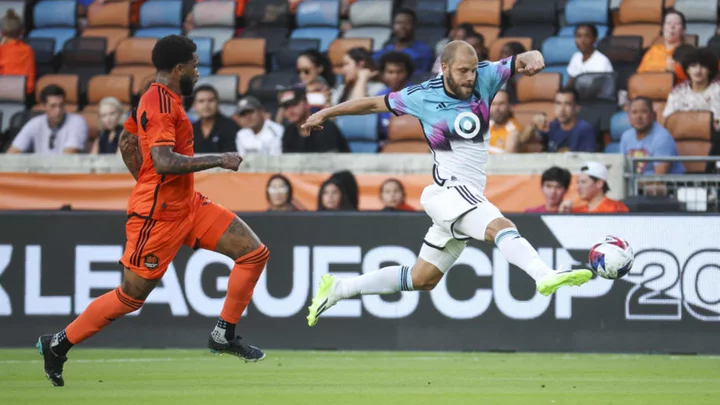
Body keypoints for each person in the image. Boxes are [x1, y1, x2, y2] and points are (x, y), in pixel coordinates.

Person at [301, 41, 593, 327]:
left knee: (422, 278)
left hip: (465, 196)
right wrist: (326, 112)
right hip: (449, 191)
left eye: (472, 70)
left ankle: (340, 288)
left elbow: (522, 58)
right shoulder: (421, 96)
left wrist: (535, 57)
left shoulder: (486, 76)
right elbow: (371, 104)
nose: (470, 77)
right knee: (501, 227)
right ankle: (543, 274)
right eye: (463, 71)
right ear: (444, 68)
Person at [37, 35, 268, 387]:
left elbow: (127, 141)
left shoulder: (159, 97)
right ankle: (58, 343)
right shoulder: (160, 103)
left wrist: (145, 180)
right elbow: (162, 161)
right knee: (130, 297)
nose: (197, 69)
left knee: (253, 253)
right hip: (158, 216)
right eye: (193, 63)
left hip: (186, 204)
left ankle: (224, 334)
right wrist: (218, 159)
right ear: (179, 69)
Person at [8, 85, 88, 154]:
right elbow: (13, 152)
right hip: (40, 170)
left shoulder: (77, 122)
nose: (58, 110)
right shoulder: (35, 123)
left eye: (61, 105)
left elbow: (69, 156)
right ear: (43, 106)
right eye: (53, 106)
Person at [621, 97, 685, 175]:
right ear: (629, 116)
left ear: (653, 115)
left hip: (668, 186)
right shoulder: (626, 136)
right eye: (634, 112)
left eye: (644, 112)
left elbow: (659, 179)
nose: (639, 117)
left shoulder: (662, 138)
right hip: (636, 184)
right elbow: (622, 168)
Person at [279, 86, 350, 153]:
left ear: (306, 103)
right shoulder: (288, 131)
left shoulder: (325, 127)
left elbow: (331, 161)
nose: (290, 111)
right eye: (286, 107)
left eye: (294, 104)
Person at [663, 47, 720, 130]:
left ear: (710, 70)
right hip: (681, 136)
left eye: (703, 66)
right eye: (693, 66)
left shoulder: (717, 91)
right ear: (687, 70)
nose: (698, 70)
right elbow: (667, 120)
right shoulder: (678, 92)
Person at [525, 88, 597, 152]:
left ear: (577, 108)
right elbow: (526, 140)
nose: (562, 109)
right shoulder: (554, 125)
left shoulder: (584, 129)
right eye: (558, 103)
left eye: (567, 104)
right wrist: (533, 123)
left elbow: (587, 161)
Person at [373, 8, 433, 72]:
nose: (402, 27)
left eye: (407, 23)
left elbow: (421, 76)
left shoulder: (423, 51)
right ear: (393, 26)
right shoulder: (387, 48)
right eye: (398, 23)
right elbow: (371, 62)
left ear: (414, 26)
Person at [560, 162, 629, 214]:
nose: (578, 187)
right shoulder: (577, 211)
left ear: (599, 183)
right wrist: (564, 215)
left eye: (583, 182)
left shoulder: (616, 208)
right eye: (578, 182)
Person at [376, 51, 414, 141]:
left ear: (407, 73)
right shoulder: (378, 97)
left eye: (399, 72)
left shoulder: (417, 95)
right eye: (390, 72)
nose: (395, 76)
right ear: (383, 74)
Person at [191, 84, 239, 153]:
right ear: (194, 106)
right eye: (201, 101)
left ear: (218, 103)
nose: (206, 105)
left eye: (210, 100)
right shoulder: (190, 129)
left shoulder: (230, 127)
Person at [637, 9, 686, 73]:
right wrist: (665, 68)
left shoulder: (687, 53)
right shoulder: (653, 51)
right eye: (668, 23)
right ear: (662, 29)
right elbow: (641, 74)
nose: (672, 26)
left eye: (676, 23)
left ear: (683, 30)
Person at [0, 9, 35, 95]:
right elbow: (30, 79)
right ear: (21, 31)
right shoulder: (27, 50)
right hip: (22, 93)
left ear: (2, 33)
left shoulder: (1, 49)